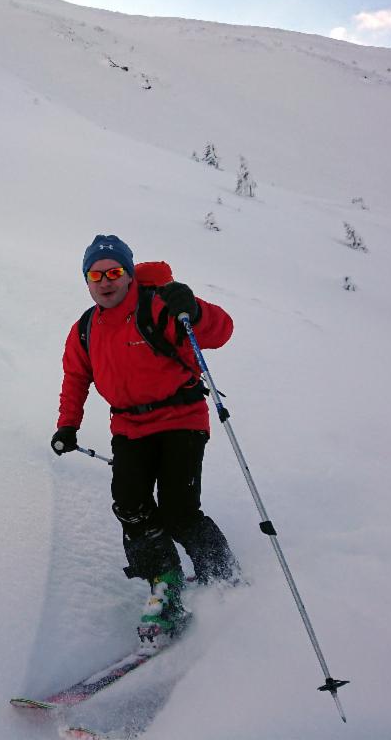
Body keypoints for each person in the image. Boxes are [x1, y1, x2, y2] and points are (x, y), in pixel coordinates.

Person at [51, 234, 239, 649]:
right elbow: (76, 377)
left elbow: (221, 331)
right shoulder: (85, 328)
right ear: (86, 280)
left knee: (178, 511)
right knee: (130, 506)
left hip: (181, 419)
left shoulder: (159, 305)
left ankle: (223, 578)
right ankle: (166, 582)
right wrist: (68, 425)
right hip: (129, 428)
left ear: (129, 273)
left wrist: (195, 309)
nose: (105, 281)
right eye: (95, 274)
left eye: (114, 272)